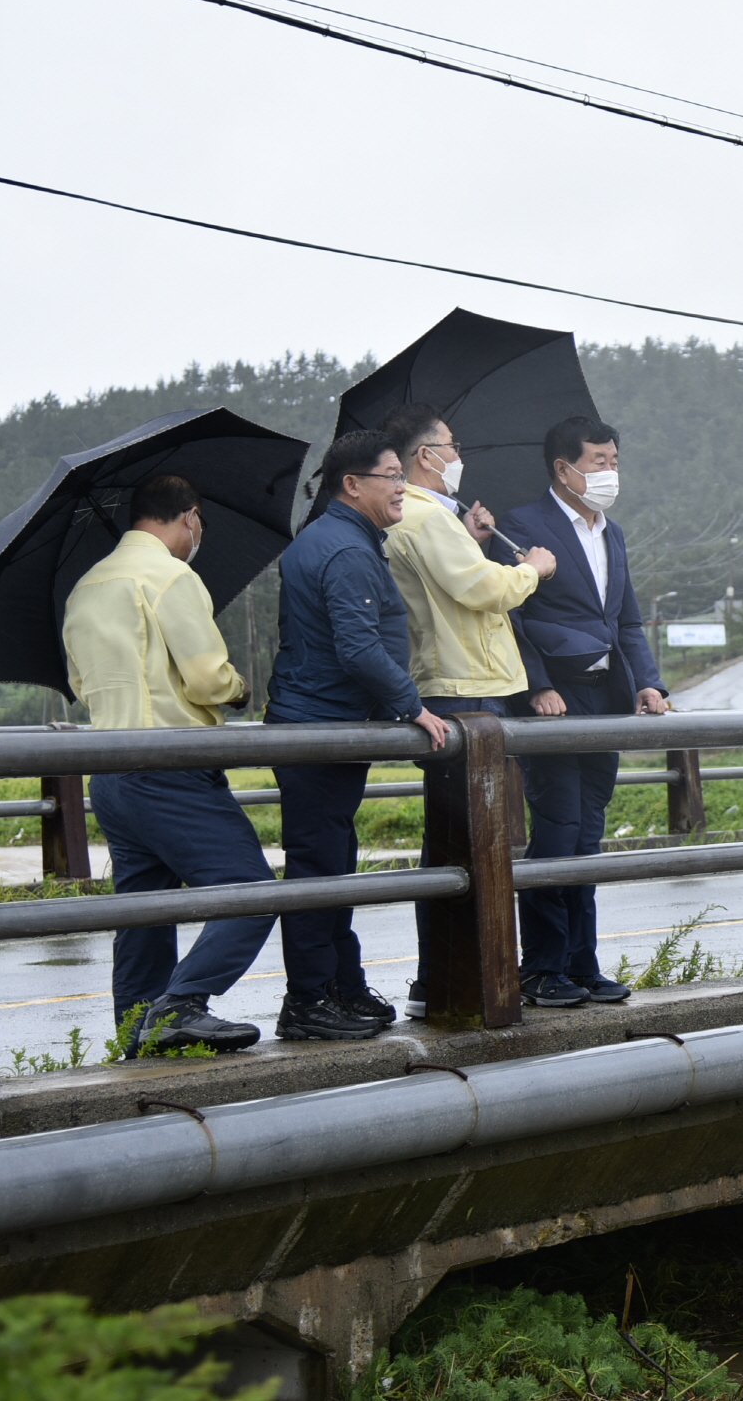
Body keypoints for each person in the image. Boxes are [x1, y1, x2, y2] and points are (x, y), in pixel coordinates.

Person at [60, 474, 279, 1054]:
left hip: (109, 769)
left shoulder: (84, 588)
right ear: (188, 517)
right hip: (170, 765)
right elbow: (207, 676)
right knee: (253, 892)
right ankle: (181, 1005)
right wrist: (237, 690)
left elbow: (80, 683)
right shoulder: (171, 576)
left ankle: (135, 1033)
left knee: (145, 912)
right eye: (198, 523)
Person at [264, 430, 452, 1039]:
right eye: (391, 476)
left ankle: (343, 985)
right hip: (318, 728)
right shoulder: (346, 550)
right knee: (319, 868)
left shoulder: (337, 539)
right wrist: (411, 706)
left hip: (325, 723)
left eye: (402, 475)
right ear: (353, 484)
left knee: (332, 862)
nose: (402, 486)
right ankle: (308, 1000)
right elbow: (358, 646)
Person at [379, 402, 555, 1018]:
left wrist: (472, 541)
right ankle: (456, 977)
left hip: (454, 677)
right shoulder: (426, 520)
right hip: (464, 686)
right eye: (451, 446)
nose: (458, 457)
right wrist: (529, 570)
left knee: (458, 840)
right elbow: (479, 590)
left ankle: (451, 973)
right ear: (426, 456)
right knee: (470, 839)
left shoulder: (429, 519)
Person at [499, 414, 668, 1008]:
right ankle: (542, 969)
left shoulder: (611, 533)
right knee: (557, 830)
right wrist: (535, 686)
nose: (609, 472)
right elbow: (509, 616)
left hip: (605, 698)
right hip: (553, 701)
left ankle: (582, 964)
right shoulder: (523, 526)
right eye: (598, 461)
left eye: (614, 460)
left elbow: (624, 621)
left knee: (588, 835)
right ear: (563, 468)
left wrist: (648, 683)